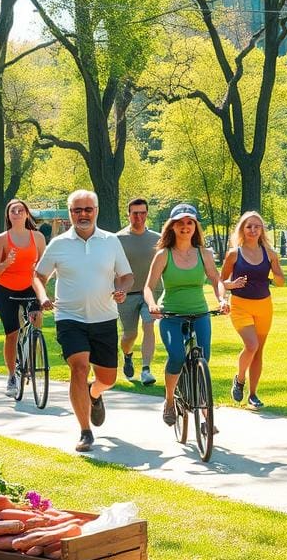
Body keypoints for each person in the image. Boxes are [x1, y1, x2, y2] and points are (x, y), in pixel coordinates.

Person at [33, 189, 133, 453]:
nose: (83, 214)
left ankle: (95, 393)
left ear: (96, 211)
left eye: (87, 209)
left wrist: (121, 290)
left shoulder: (110, 241)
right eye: (77, 210)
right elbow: (38, 276)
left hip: (105, 318)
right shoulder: (59, 244)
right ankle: (85, 431)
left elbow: (126, 275)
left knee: (107, 378)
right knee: (78, 368)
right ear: (70, 213)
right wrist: (42, 296)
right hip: (69, 317)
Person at [144, 203, 228, 428]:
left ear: (195, 226)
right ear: (172, 227)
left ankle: (205, 415)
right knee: (177, 356)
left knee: (204, 360)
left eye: (189, 222)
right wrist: (152, 305)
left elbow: (215, 280)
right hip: (171, 315)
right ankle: (170, 401)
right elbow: (148, 287)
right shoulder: (164, 255)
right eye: (180, 223)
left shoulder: (205, 253)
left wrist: (222, 299)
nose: (185, 227)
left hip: (199, 313)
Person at [221, 211, 286, 410]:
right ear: (242, 229)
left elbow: (281, 281)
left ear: (262, 230)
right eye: (249, 226)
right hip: (240, 305)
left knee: (259, 351)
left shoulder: (270, 253)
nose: (253, 229)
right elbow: (221, 281)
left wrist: (275, 274)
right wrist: (231, 286)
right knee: (251, 345)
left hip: (264, 305)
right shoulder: (234, 254)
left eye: (257, 226)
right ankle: (240, 380)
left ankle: (253, 394)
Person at [0, 199, 47, 398]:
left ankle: (31, 349)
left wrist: (43, 289)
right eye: (13, 210)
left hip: (30, 287)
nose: (17, 213)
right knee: (12, 334)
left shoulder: (37, 237)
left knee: (37, 319)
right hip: (6, 290)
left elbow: (45, 266)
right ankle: (12, 375)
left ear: (26, 214)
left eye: (20, 210)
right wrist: (6, 263)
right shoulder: (2, 239)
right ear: (8, 215)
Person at [116, 198, 160, 386]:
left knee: (149, 325)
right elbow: (111, 267)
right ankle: (127, 355)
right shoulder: (117, 239)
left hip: (151, 292)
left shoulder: (158, 238)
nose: (139, 217)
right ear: (128, 215)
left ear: (147, 214)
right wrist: (117, 290)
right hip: (127, 294)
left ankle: (146, 369)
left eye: (143, 213)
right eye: (135, 213)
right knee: (130, 334)